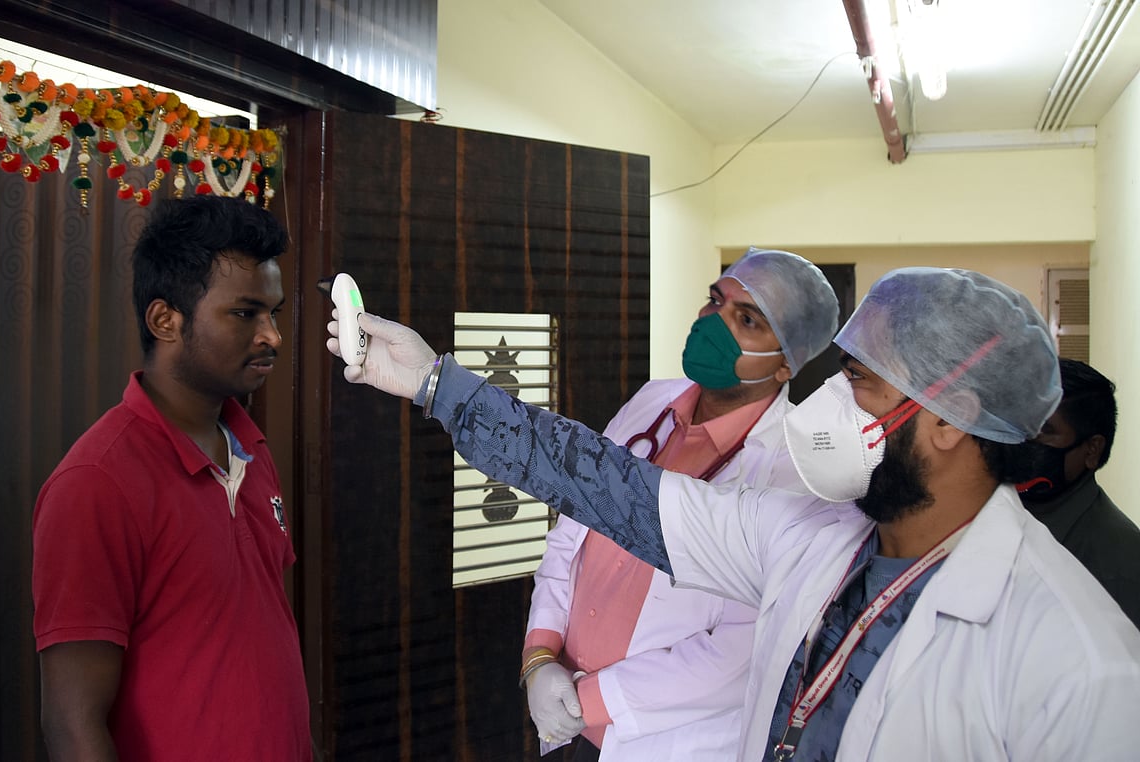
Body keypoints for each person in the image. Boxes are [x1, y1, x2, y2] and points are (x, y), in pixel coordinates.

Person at [330, 266, 1140, 760]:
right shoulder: (808, 541)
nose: (828, 402)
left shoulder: (1080, 660)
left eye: (860, 381)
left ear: (950, 417)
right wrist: (439, 385)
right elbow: (608, 487)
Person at [522, 248, 838, 760]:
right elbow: (571, 532)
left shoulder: (795, 472)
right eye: (717, 301)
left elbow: (740, 651)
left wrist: (586, 700)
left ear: (785, 365)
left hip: (651, 740)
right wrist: (539, 655)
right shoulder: (652, 403)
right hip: (562, 718)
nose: (715, 323)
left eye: (747, 320)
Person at [32, 196, 311, 761]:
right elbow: (72, 723)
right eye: (245, 313)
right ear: (166, 320)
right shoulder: (97, 483)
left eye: (274, 313)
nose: (272, 337)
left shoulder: (251, 449)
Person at [1019, 358, 1140, 627]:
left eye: (1044, 431)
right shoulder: (999, 512)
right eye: (1023, 425)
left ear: (1092, 450)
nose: (1025, 441)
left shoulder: (1120, 567)